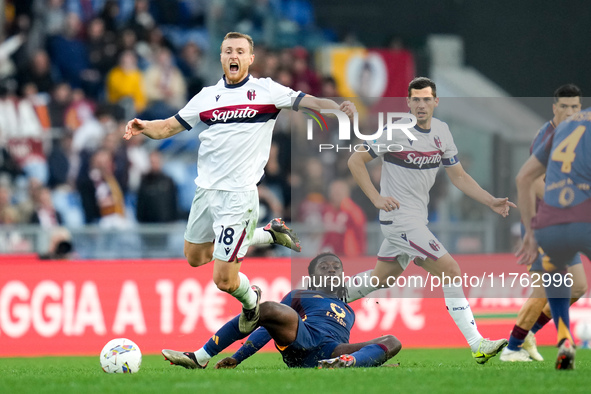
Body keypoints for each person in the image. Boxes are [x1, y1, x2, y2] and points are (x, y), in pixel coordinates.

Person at [124, 32, 356, 334]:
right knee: (195, 257)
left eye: (240, 51)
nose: (233, 56)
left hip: (238, 196)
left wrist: (336, 106)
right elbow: (168, 126)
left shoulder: (266, 91)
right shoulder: (206, 96)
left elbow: (306, 101)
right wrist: (144, 127)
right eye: (227, 51)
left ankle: (251, 304)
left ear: (250, 59)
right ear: (221, 57)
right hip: (205, 191)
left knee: (224, 280)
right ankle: (267, 234)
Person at [345, 77, 515, 364]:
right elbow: (355, 160)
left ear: (436, 102)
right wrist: (376, 198)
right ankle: (477, 344)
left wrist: (490, 201)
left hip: (415, 220)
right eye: (416, 99)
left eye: (427, 99)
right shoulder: (395, 131)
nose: (421, 104)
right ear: (408, 103)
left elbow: (459, 176)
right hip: (399, 219)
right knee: (450, 269)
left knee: (380, 278)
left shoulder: (442, 132)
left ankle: (324, 299)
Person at [162, 252, 401, 369]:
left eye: (336, 267)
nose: (331, 270)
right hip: (302, 341)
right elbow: (267, 328)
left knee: (392, 341)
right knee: (268, 309)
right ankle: (200, 357)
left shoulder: (349, 308)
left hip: (332, 351)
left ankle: (347, 364)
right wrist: (238, 357)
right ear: (312, 275)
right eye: (324, 267)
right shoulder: (300, 294)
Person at [501, 84, 587, 362]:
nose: (571, 112)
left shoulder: (575, 131)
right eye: (565, 107)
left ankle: (528, 335)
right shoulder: (547, 135)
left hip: (565, 222)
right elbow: (533, 180)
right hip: (545, 224)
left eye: (575, 106)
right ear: (554, 108)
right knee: (545, 289)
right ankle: (512, 347)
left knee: (576, 287)